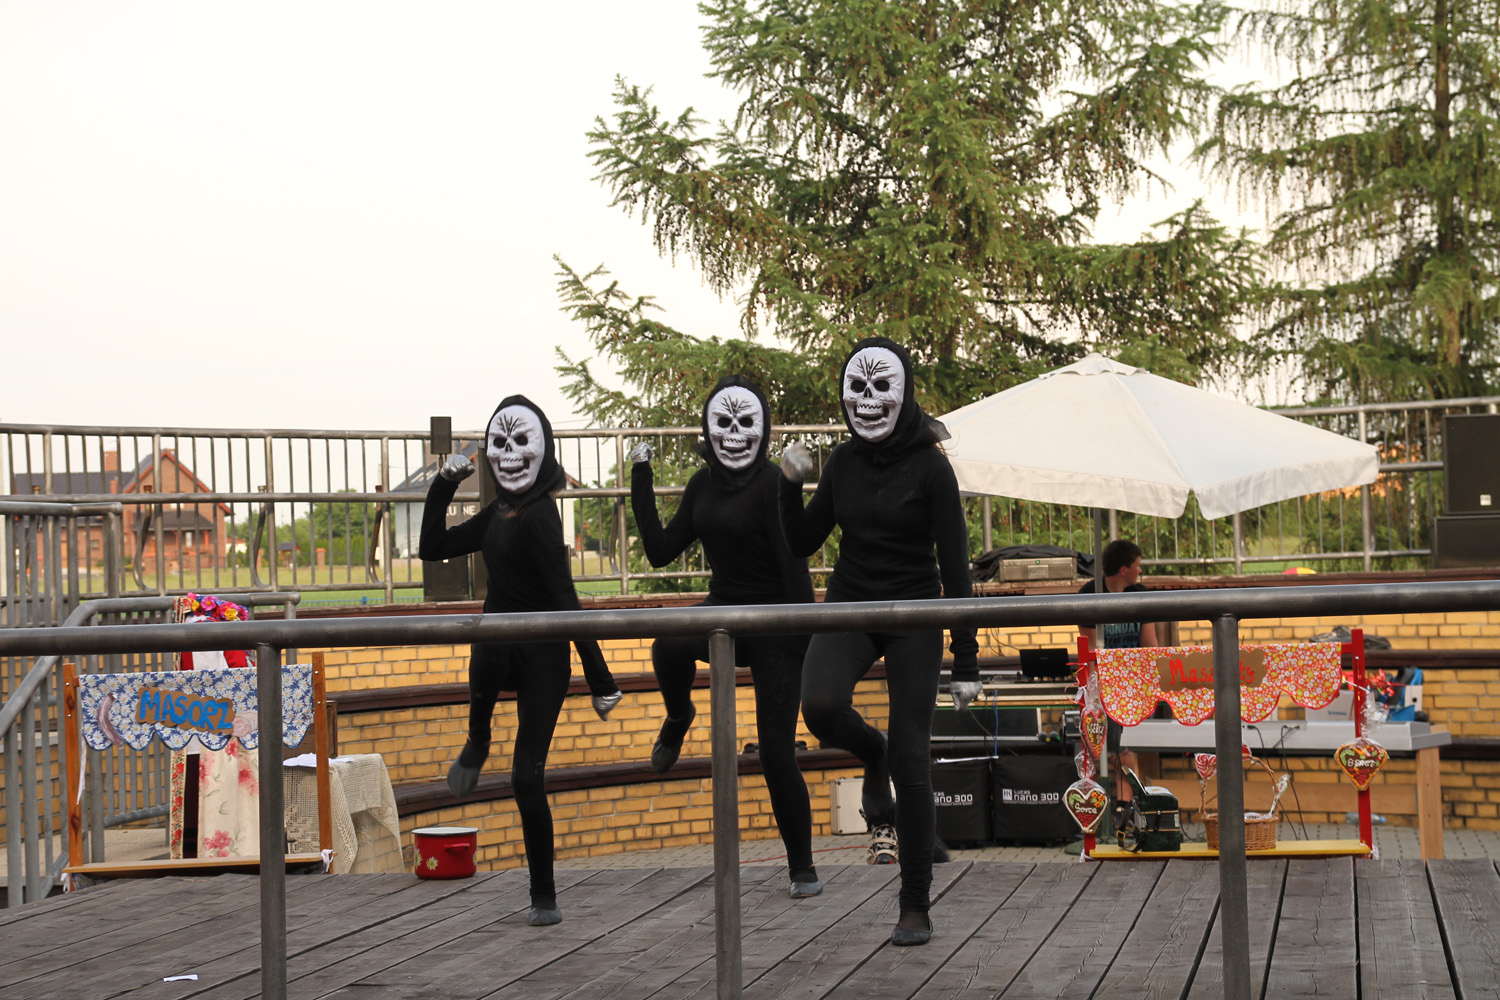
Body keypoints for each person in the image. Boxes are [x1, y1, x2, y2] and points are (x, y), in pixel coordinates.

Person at [778, 337, 979, 948]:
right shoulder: (843, 462)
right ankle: (874, 752)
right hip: (852, 602)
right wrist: (789, 484)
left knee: (913, 762)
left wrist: (966, 659)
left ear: (904, 392)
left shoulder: (932, 467)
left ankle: (914, 902)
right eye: (857, 388)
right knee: (819, 707)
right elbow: (803, 542)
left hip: (915, 610)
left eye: (880, 387)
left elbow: (956, 566)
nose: (868, 401)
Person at [419, 395, 622, 927]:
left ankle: (543, 896)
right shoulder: (495, 514)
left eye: (520, 442)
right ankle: (478, 737)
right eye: (500, 443)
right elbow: (432, 547)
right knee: (487, 636)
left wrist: (599, 677)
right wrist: (443, 484)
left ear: (543, 450)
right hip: (498, 649)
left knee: (526, 778)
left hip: (544, 659)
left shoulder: (541, 518)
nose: (509, 454)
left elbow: (565, 597)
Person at [629, 375, 821, 899]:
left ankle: (802, 867)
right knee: (668, 643)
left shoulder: (772, 486)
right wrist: (641, 477)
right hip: (722, 607)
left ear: (762, 430)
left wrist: (803, 639)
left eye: (745, 422)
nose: (734, 433)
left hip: (776, 620)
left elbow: (795, 569)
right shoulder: (701, 485)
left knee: (776, 752)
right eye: (724, 422)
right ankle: (678, 717)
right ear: (709, 430)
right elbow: (661, 551)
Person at [1077, 538, 1160, 801]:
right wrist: (1097, 694)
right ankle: (1120, 808)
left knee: (1127, 752)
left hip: (1134, 688)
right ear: (1124, 570)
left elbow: (1149, 644)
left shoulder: (1141, 594)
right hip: (1105, 689)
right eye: (1138, 565)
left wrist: (1154, 681)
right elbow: (1090, 652)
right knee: (1117, 754)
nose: (1140, 571)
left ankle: (1126, 807)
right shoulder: (1089, 594)